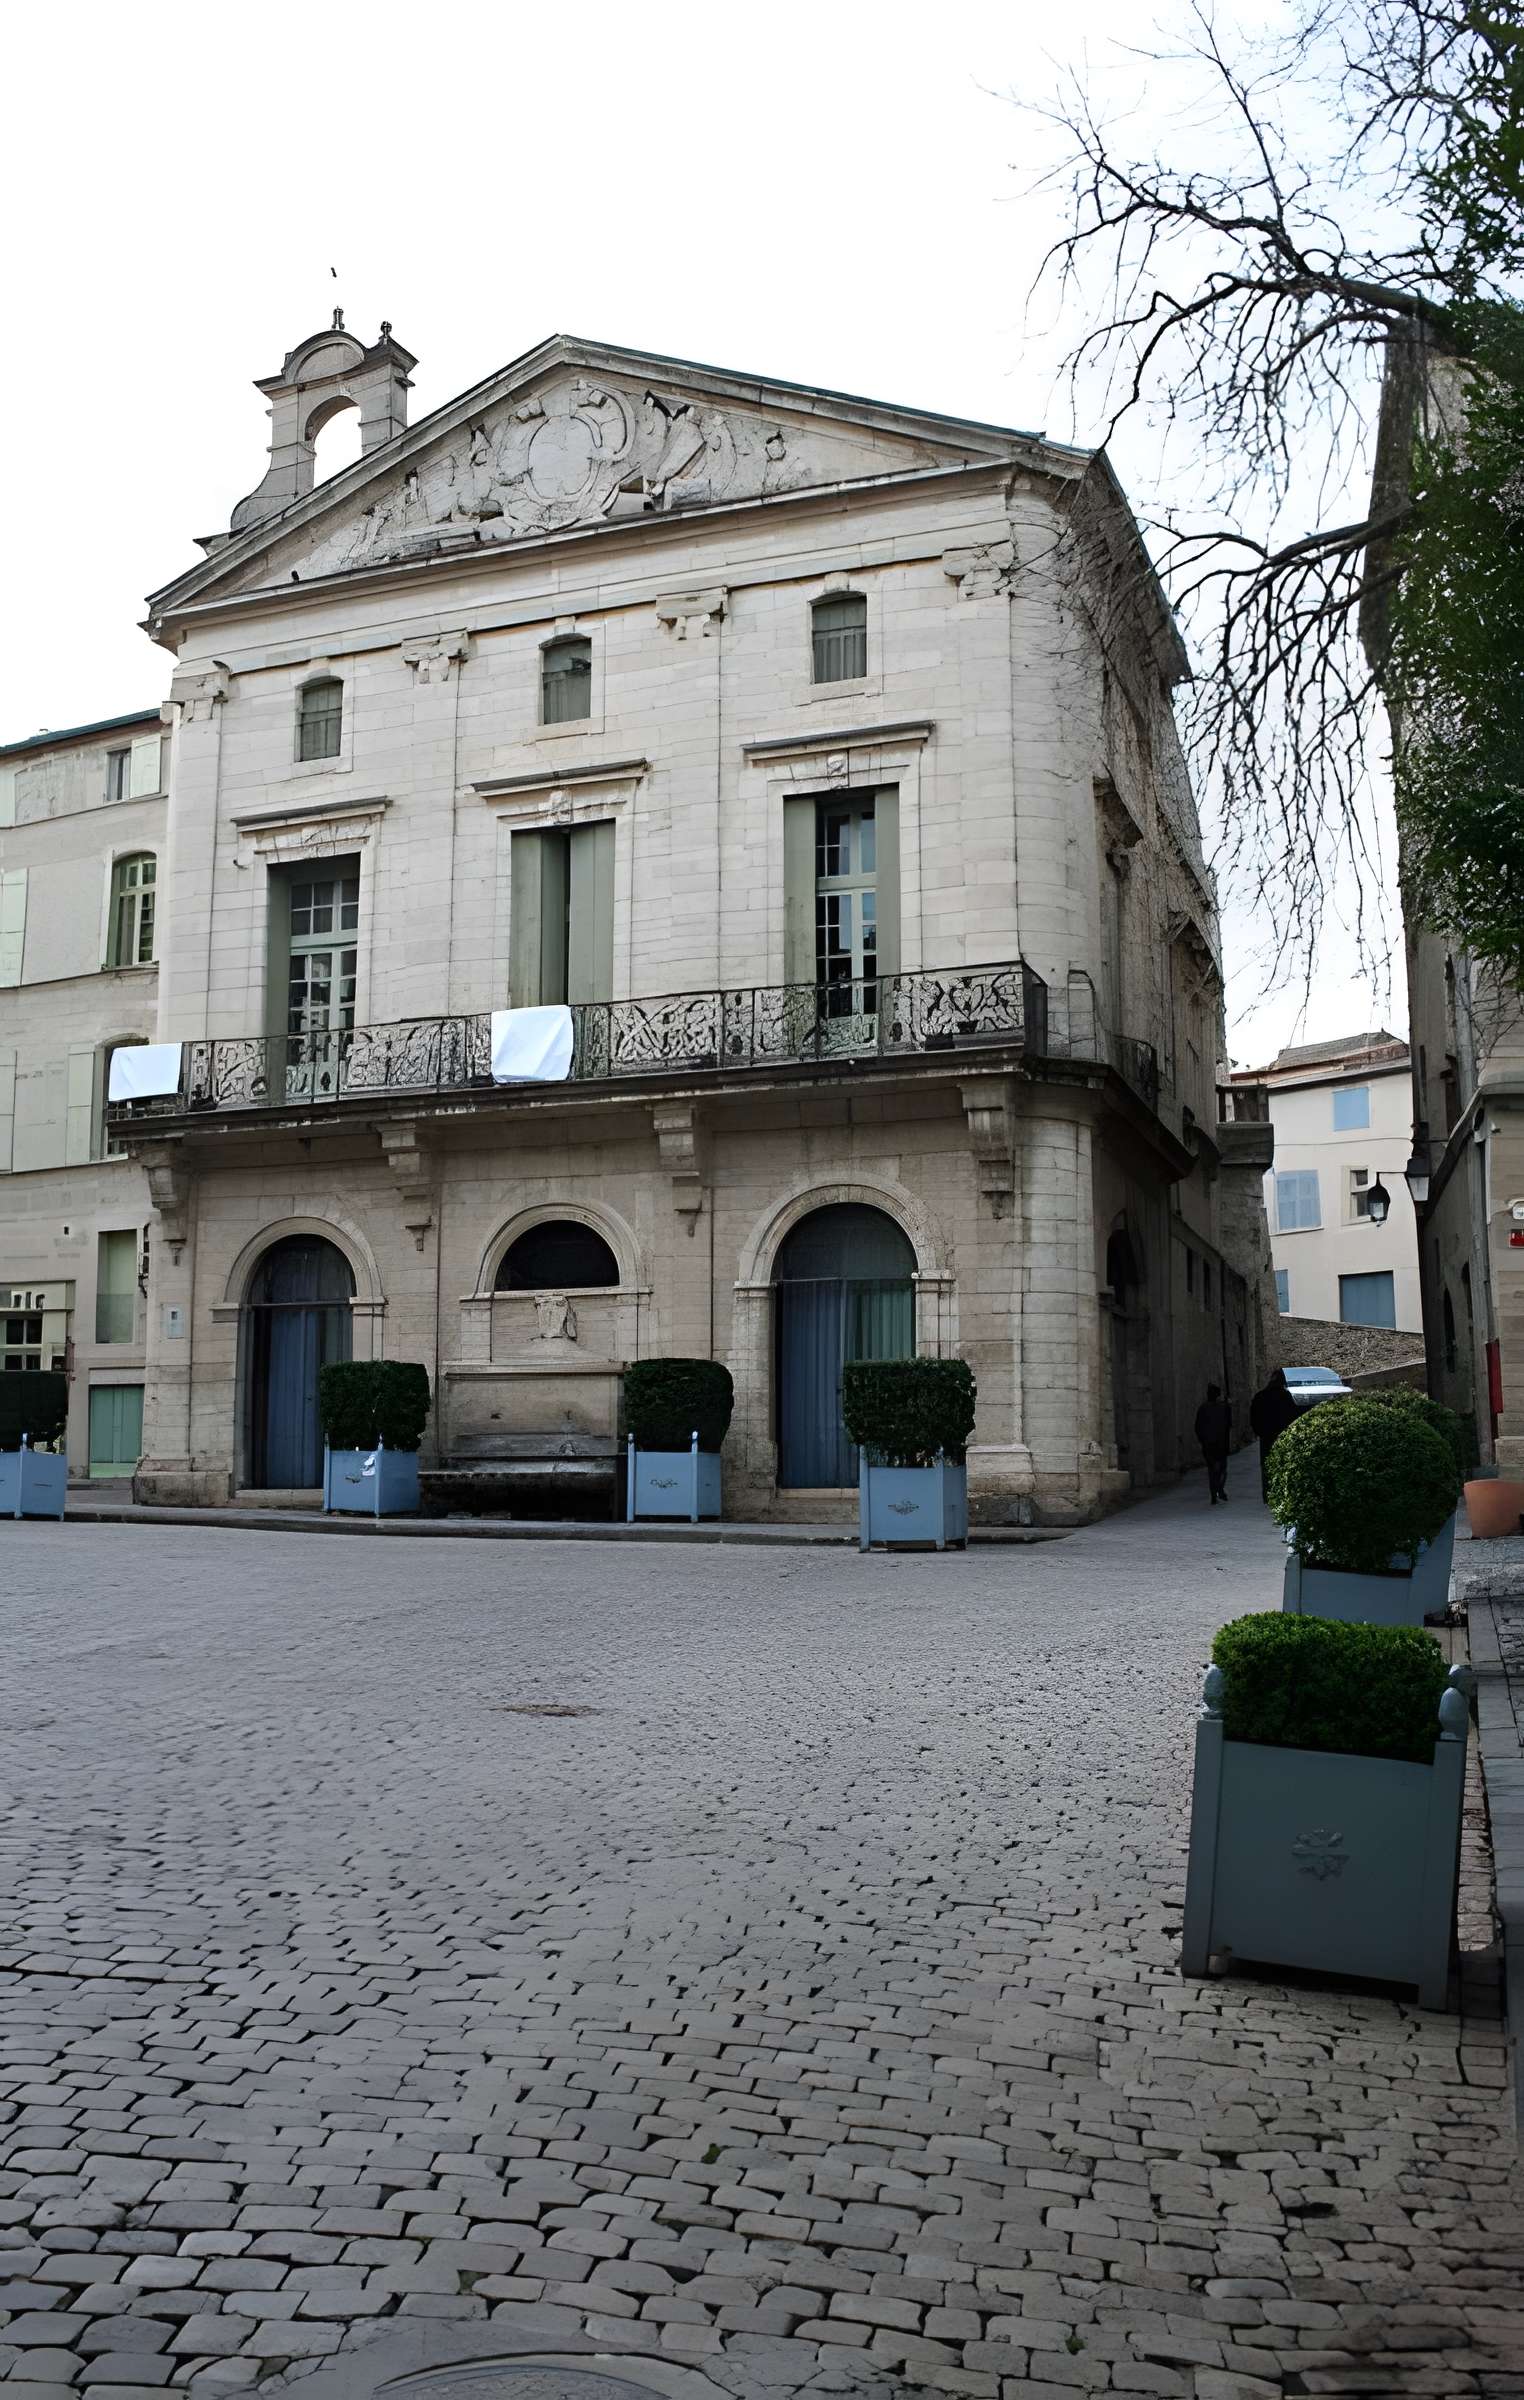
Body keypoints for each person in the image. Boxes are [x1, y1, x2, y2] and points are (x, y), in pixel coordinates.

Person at [1249, 1367, 1300, 1501]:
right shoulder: (1287, 1397)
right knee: (1283, 1464)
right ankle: (1283, 1494)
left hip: (1266, 1436)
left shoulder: (1260, 1396)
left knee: (1266, 1465)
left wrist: (1260, 1432)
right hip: (1283, 1434)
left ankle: (1268, 1494)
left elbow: (1254, 1417)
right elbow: (1293, 1416)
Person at [1194, 1383, 1232, 1503]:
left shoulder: (1203, 1408)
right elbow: (1228, 1425)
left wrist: (1202, 1440)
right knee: (1221, 1469)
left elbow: (1198, 1427)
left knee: (1212, 1469)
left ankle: (1214, 1494)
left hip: (1208, 1444)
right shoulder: (1223, 1408)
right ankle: (1219, 1490)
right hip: (1221, 1444)